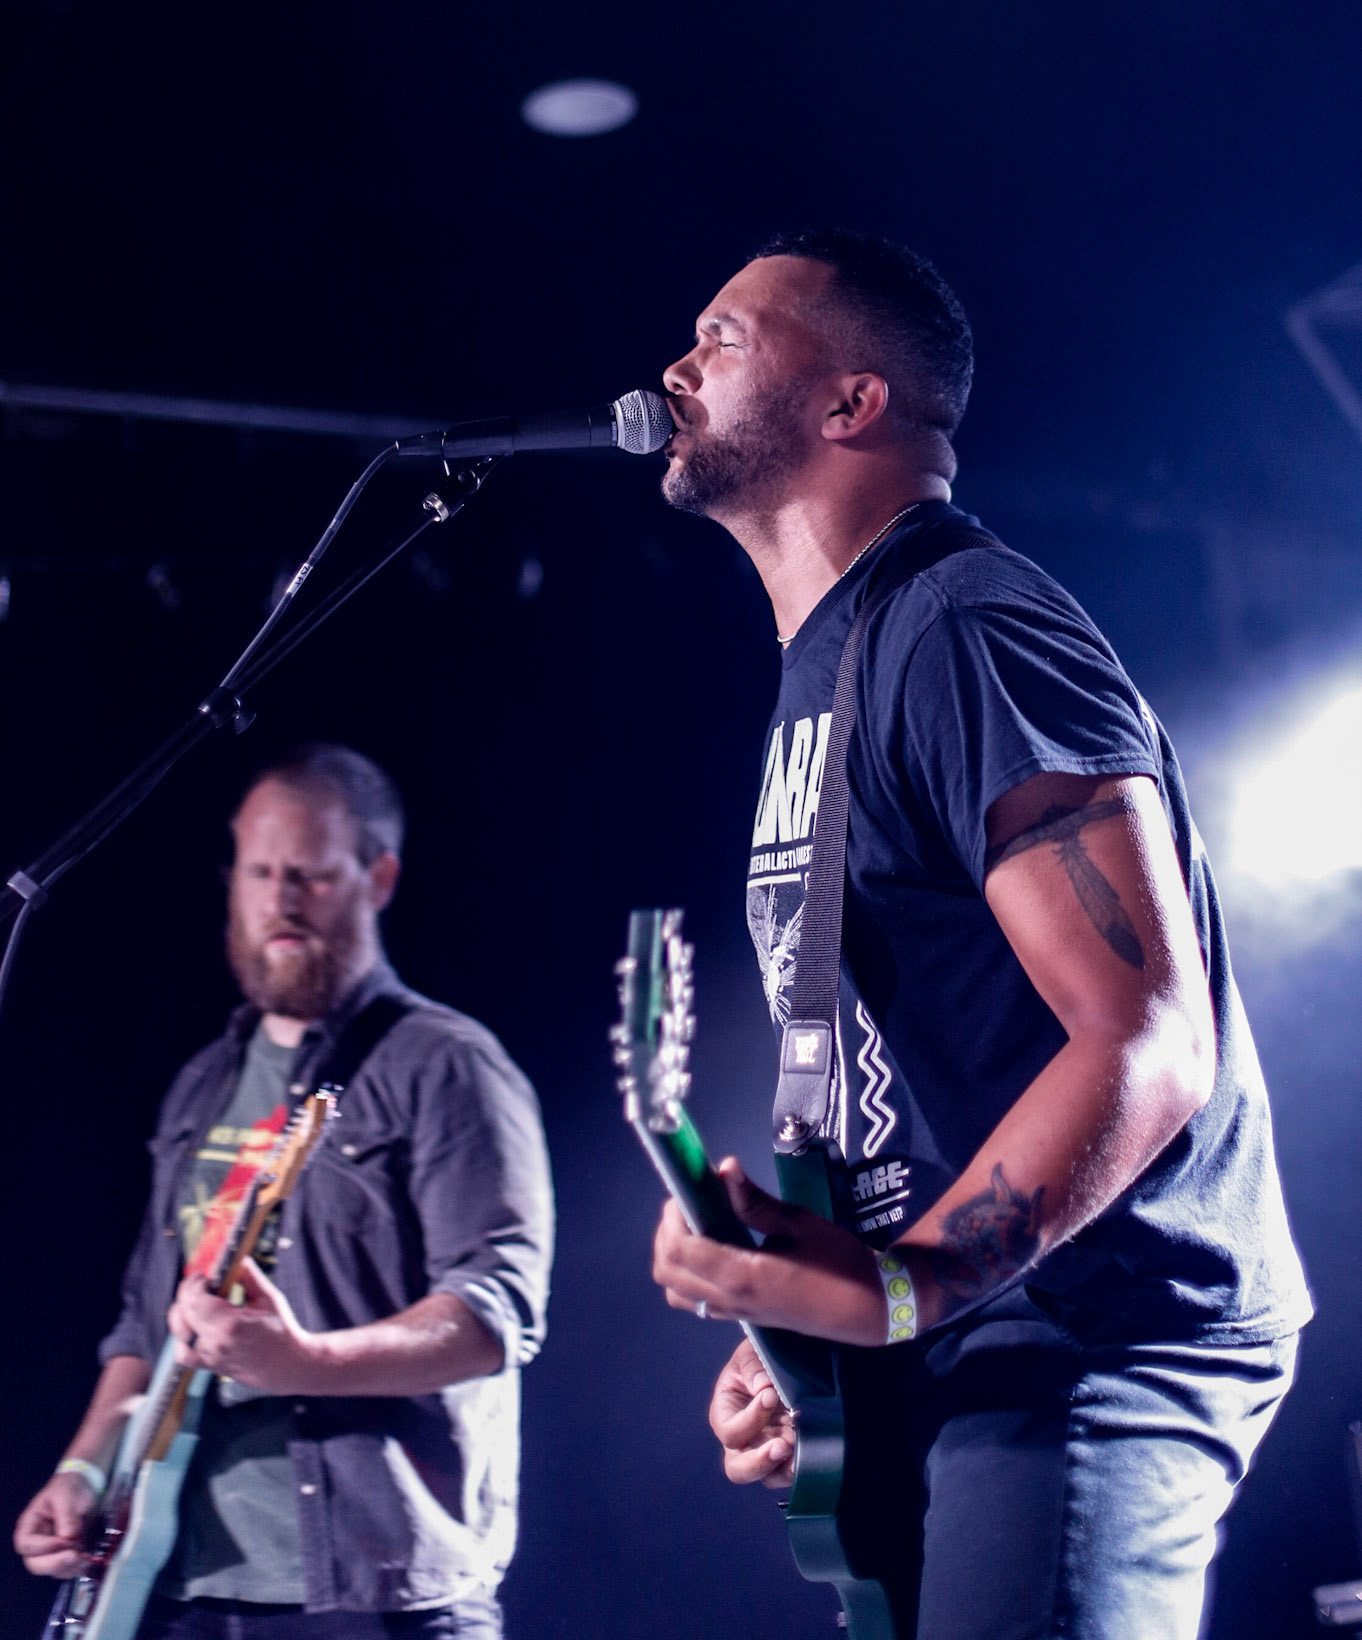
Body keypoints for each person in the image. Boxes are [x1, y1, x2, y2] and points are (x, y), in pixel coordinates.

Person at [649, 230, 1311, 1639]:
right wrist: (806, 1329)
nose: (675, 367)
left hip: (1091, 1327)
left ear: (852, 401)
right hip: (973, 1330)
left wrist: (900, 1290)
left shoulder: (964, 622)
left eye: (722, 337)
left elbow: (1148, 1036)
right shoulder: (830, 665)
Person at [15, 742, 554, 1639]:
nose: (281, 899)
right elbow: (145, 1328)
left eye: (310, 873)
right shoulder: (202, 1083)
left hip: (380, 1596)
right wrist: (81, 1471)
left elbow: (497, 1313)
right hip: (179, 1588)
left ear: (378, 878)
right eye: (260, 872)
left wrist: (304, 1361)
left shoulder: (447, 1064)